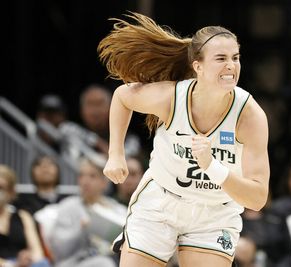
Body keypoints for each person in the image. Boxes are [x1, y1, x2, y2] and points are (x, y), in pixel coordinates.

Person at [98, 12, 270, 267]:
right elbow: (123, 96)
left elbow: (257, 197)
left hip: (214, 212)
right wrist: (115, 154)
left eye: (235, 58)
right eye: (221, 59)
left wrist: (213, 167)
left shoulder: (249, 115)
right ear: (197, 66)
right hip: (161, 201)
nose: (231, 66)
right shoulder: (172, 97)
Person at [0, 165, 51, 267]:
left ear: (11, 191)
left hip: (22, 264)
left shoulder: (23, 216)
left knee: (42, 263)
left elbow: (37, 252)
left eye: (1, 188)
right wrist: (11, 264)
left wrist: (28, 258)